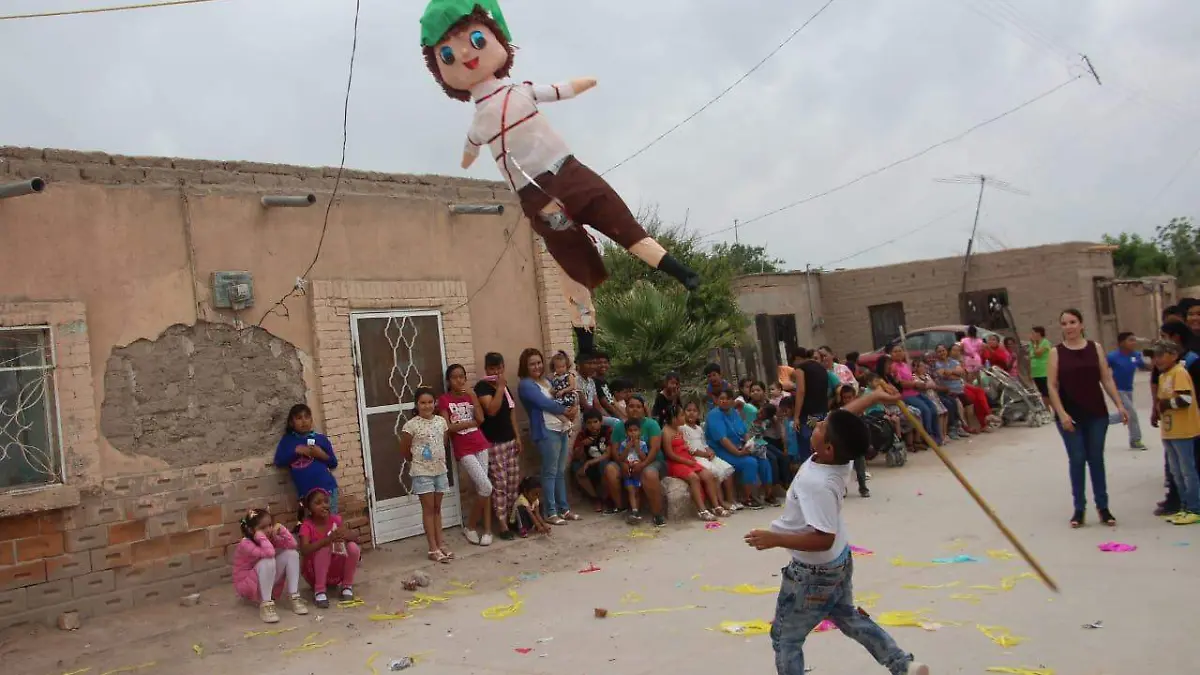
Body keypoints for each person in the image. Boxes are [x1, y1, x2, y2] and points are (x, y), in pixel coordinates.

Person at [744, 390, 930, 675]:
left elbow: (823, 538)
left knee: (785, 637)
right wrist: (874, 397)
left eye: (821, 427)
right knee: (848, 617)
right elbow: (843, 417)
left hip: (813, 571)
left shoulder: (817, 484)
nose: (818, 424)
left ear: (828, 447)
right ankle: (902, 664)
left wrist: (775, 539)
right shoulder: (841, 455)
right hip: (838, 561)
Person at [1047, 309, 1128, 529]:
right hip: (1070, 416)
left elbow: (1106, 378)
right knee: (1077, 458)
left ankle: (1103, 507)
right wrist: (1061, 413)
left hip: (1096, 414)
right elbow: (1052, 386)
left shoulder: (1095, 348)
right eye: (1064, 323)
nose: (1069, 327)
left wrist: (1119, 405)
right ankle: (1079, 509)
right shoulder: (1056, 352)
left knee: (1096, 459)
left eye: (1073, 322)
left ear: (1081, 324)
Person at [517, 348, 580, 525]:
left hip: (561, 428)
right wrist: (565, 410)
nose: (537, 366)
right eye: (532, 364)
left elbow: (566, 393)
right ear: (525, 366)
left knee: (560, 471)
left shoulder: (547, 380)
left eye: (539, 362)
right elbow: (544, 403)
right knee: (550, 471)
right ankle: (550, 512)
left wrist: (573, 408)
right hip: (546, 430)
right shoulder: (526, 385)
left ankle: (564, 509)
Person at [439, 364, 494, 546]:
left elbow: (481, 419)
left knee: (484, 487)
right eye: (455, 377)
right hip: (463, 448)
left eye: (462, 376)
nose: (459, 380)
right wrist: (470, 423)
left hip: (480, 443)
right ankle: (470, 526)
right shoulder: (444, 400)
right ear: (448, 381)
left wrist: (473, 397)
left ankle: (487, 529)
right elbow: (448, 427)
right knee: (486, 487)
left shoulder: (470, 396)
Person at [400, 387, 454, 563]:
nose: (427, 406)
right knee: (429, 510)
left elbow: (443, 443)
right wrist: (418, 462)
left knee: (437, 509)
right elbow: (405, 450)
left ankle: (441, 543)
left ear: (435, 403)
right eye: (423, 403)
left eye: (430, 402)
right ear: (417, 404)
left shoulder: (441, 422)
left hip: (440, 470)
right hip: (422, 472)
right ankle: (433, 548)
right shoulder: (411, 426)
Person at [1153, 320, 1200, 515]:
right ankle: (1183, 505)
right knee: (1176, 472)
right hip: (1169, 431)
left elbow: (1186, 399)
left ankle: (1194, 507)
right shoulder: (1163, 376)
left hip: (1184, 431)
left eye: (1161, 355)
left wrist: (1165, 404)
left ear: (1173, 355)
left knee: (1188, 470)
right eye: (1155, 356)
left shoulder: (1179, 372)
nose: (1157, 359)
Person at [475, 352, 523, 541]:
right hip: (493, 443)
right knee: (499, 484)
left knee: (512, 483)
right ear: (486, 369)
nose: (496, 372)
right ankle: (501, 524)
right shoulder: (482, 387)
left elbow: (511, 414)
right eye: (492, 369)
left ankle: (512, 518)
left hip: (509, 441)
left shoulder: (505, 387)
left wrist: (517, 437)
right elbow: (492, 410)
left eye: (499, 368)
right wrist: (500, 388)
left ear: (503, 367)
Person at [232, 508, 306, 623]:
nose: (268, 529)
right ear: (251, 530)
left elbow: (293, 544)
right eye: (263, 527)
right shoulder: (245, 544)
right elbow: (269, 553)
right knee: (268, 560)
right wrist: (261, 537)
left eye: (270, 525)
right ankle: (266, 605)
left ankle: (294, 596)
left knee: (292, 554)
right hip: (247, 586)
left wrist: (282, 530)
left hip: (262, 580)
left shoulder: (269, 538)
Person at [606, 395, 668, 526]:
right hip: (627, 461)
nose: (635, 409)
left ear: (644, 409)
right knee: (610, 469)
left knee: (649, 473)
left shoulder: (652, 424)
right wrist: (621, 464)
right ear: (626, 408)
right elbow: (615, 449)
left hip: (652, 461)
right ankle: (622, 507)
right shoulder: (619, 426)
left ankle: (657, 514)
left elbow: (655, 449)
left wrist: (643, 464)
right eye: (631, 406)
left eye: (638, 407)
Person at [297, 488, 361, 609]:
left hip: (335, 569)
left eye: (326, 502)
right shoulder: (306, 526)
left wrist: (346, 535)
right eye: (318, 503)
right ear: (309, 508)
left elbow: (355, 539)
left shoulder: (336, 520)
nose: (324, 505)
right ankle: (319, 591)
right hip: (314, 572)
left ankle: (347, 586)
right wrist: (328, 540)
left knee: (353, 547)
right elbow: (304, 550)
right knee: (324, 548)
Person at [662, 402, 727, 520]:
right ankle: (702, 510)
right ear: (674, 418)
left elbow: (686, 447)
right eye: (682, 415)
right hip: (676, 463)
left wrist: (690, 457)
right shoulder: (666, 432)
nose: (684, 417)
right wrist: (686, 461)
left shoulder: (679, 429)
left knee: (708, 475)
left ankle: (716, 506)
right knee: (694, 478)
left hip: (687, 459)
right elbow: (669, 454)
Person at [708, 387, 770, 510]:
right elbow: (723, 440)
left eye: (727, 399)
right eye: (721, 398)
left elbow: (744, 431)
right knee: (750, 462)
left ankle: (768, 494)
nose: (724, 401)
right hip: (721, 450)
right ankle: (747, 498)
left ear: (732, 401)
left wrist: (748, 444)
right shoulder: (714, 415)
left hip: (739, 447)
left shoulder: (733, 412)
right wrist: (739, 453)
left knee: (764, 460)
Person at [273, 404, 339, 513]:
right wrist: (296, 452)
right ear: (291, 422)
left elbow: (333, 463)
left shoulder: (321, 439)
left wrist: (321, 454)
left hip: (327, 490)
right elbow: (279, 462)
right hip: (307, 494)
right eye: (299, 418)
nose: (304, 421)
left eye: (307, 417)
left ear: (311, 420)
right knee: (310, 523)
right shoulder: (288, 441)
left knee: (330, 521)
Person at [682, 400, 738, 511]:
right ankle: (720, 502)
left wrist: (710, 452)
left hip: (706, 455)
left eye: (694, 411)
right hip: (696, 457)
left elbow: (704, 444)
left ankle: (730, 499)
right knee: (714, 472)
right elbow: (689, 449)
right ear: (683, 413)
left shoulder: (699, 428)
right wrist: (705, 454)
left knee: (727, 468)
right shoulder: (683, 428)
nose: (691, 413)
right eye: (688, 410)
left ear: (698, 414)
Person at [889, 345, 941, 445]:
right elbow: (901, 383)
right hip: (905, 395)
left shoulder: (905, 365)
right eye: (895, 351)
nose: (898, 353)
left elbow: (911, 378)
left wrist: (916, 384)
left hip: (915, 392)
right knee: (925, 409)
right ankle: (928, 436)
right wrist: (915, 384)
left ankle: (937, 435)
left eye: (900, 351)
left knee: (933, 408)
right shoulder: (893, 367)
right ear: (891, 354)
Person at [1106, 332, 1148, 451]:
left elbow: (1145, 367)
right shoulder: (1112, 356)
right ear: (1121, 343)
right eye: (1130, 340)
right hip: (1117, 390)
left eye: (1134, 340)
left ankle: (1099, 421)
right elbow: (1101, 369)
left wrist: (1154, 360)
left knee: (1126, 415)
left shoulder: (1136, 355)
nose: (1134, 343)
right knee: (1132, 413)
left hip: (1129, 390)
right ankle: (1136, 440)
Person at [792, 348, 831, 460]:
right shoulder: (822, 368)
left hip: (809, 415)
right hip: (822, 413)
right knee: (819, 443)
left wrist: (796, 416)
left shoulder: (801, 368)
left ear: (797, 358)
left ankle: (809, 467)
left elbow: (801, 391)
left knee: (807, 444)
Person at [832, 384, 870, 498]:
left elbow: (863, 427)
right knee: (842, 469)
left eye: (850, 397)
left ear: (854, 397)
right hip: (844, 445)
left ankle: (863, 488)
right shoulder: (840, 412)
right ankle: (842, 489)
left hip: (857, 444)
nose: (847, 400)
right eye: (845, 398)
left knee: (860, 469)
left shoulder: (859, 411)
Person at [571, 409, 612, 511]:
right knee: (576, 467)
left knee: (604, 465)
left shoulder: (607, 431)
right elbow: (576, 456)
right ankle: (595, 498)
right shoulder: (583, 434)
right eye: (589, 423)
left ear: (601, 422)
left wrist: (589, 463)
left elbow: (608, 454)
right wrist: (582, 445)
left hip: (605, 462)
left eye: (595, 422)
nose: (592, 425)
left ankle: (606, 497)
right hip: (590, 463)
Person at [619, 420, 650, 525]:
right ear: (626, 432)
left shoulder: (642, 444)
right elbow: (621, 458)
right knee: (631, 490)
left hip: (638, 471)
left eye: (635, 430)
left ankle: (636, 511)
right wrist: (627, 448)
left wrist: (637, 448)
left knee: (637, 491)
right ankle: (634, 511)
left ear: (640, 431)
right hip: (628, 471)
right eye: (630, 431)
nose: (633, 433)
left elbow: (644, 458)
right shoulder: (624, 444)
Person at [1029, 326, 1052, 400]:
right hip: (1036, 373)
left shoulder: (1045, 342)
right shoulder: (1031, 344)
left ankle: (1054, 406)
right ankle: (1047, 407)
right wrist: (1030, 372)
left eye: (1033, 333)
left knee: (1048, 393)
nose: (1031, 335)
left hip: (1044, 372)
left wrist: (1034, 344)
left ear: (1039, 333)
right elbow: (1030, 357)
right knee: (1042, 393)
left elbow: (1038, 353)